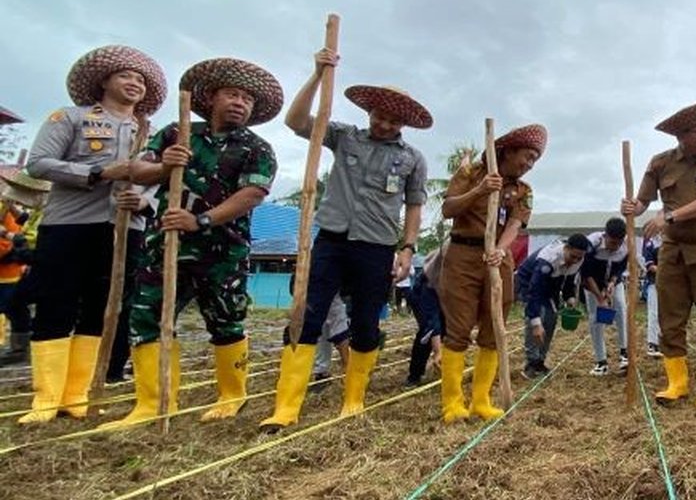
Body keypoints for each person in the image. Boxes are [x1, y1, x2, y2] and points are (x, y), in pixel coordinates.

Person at [103, 57, 280, 429]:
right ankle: (152, 402)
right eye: (232, 95)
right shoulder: (176, 134)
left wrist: (200, 220)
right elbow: (136, 169)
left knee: (227, 321)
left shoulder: (256, 148)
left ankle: (232, 395)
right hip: (165, 243)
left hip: (223, 250)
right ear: (212, 98)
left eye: (247, 100)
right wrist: (166, 167)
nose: (239, 103)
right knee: (146, 317)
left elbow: (251, 194)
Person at [260, 50, 430, 430]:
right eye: (379, 116)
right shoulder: (343, 136)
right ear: (368, 112)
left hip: (376, 247)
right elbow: (296, 120)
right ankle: (286, 407)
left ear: (404, 122)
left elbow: (415, 207)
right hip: (332, 241)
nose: (384, 124)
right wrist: (319, 73)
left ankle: (354, 399)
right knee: (307, 315)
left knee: (367, 322)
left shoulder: (413, 159)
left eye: (393, 119)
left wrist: (407, 248)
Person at [21, 45, 166, 424]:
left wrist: (145, 200)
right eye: (125, 76)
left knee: (104, 307)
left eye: (140, 80)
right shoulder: (70, 118)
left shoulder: (149, 134)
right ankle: (46, 397)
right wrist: (99, 173)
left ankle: (77, 394)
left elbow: (162, 179)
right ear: (104, 82)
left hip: (125, 228)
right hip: (70, 223)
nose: (134, 83)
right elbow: (38, 164)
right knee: (57, 304)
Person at [622, 101, 696, 409]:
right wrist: (632, 207)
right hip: (673, 251)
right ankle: (677, 383)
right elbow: (642, 202)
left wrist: (669, 217)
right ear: (682, 135)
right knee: (670, 317)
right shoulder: (659, 163)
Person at [438, 123, 546, 423]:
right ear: (508, 151)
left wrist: (500, 249)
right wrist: (480, 190)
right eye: (526, 157)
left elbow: (515, 224)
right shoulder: (472, 173)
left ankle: (481, 401)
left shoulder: (524, 191)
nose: (528, 165)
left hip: (498, 259)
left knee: (494, 327)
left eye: (533, 161)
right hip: (462, 255)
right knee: (458, 328)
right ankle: (453, 404)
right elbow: (448, 209)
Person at [0, 171, 52, 366]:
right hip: (33, 263)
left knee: (25, 304)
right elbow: (27, 220)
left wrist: (5, 234)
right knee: (16, 303)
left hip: (44, 264)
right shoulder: (39, 209)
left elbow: (33, 239)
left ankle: (30, 349)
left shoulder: (50, 210)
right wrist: (11, 207)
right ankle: (20, 348)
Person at [517, 235, 587, 379]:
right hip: (529, 281)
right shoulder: (547, 260)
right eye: (572, 256)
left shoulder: (578, 259)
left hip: (551, 283)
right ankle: (531, 363)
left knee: (551, 319)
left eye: (578, 258)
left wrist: (570, 297)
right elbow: (534, 291)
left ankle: (540, 361)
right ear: (566, 248)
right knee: (537, 320)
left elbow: (568, 280)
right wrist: (535, 323)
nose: (575, 261)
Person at [579, 219, 630, 376]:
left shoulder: (626, 246)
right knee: (596, 319)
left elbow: (620, 267)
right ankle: (601, 362)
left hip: (612, 282)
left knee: (621, 308)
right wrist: (600, 299)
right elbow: (585, 274)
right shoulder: (591, 244)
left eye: (618, 243)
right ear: (605, 235)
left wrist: (613, 282)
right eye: (612, 242)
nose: (614, 247)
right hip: (591, 283)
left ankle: (624, 354)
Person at [406, 244, 446, 387]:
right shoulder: (430, 280)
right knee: (426, 333)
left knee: (447, 329)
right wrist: (437, 350)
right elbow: (431, 319)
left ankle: (446, 366)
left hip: (445, 295)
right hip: (421, 296)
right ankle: (414, 375)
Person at [641, 236, 663, 358]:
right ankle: (652, 343)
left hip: (670, 284)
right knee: (654, 312)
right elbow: (649, 265)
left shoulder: (672, 239)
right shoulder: (650, 242)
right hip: (654, 282)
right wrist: (666, 271)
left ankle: (661, 342)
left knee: (666, 314)